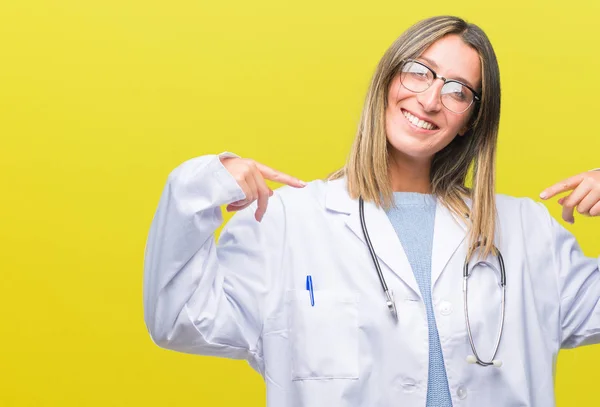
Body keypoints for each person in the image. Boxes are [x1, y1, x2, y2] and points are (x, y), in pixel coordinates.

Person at [143, 15, 600, 407]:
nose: (429, 100)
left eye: (459, 90)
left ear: (470, 123)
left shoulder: (527, 232)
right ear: (387, 80)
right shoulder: (286, 223)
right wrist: (200, 187)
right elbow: (180, 320)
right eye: (419, 72)